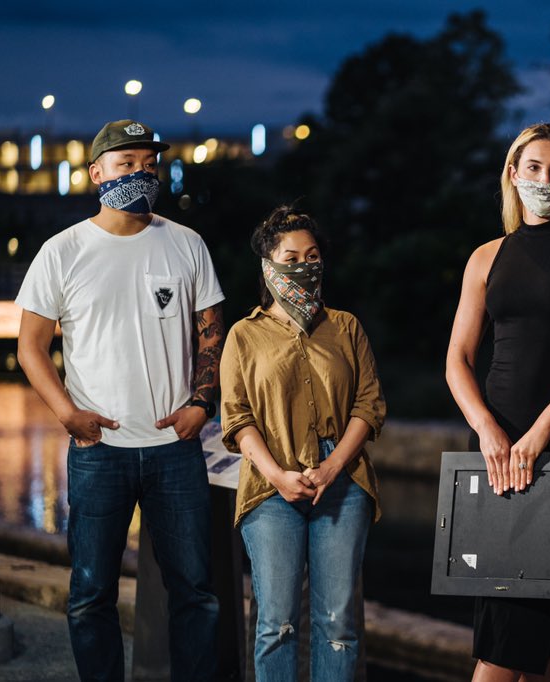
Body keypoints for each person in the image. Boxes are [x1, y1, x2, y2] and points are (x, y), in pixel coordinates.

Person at [16, 119, 222, 681]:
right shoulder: (63, 251)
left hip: (175, 451)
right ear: (97, 173)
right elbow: (30, 347)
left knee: (197, 593)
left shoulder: (185, 243)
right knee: (89, 594)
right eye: (126, 163)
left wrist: (201, 404)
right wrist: (68, 415)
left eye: (148, 163)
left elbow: (211, 330)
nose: (140, 173)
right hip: (99, 450)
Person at [446, 123, 550, 681]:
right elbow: (457, 361)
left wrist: (540, 431)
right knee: (523, 612)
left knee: (513, 613)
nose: (547, 180)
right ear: (513, 176)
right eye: (535, 169)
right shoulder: (483, 256)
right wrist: (489, 431)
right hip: (493, 444)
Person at [220, 207, 385, 681]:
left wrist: (332, 468)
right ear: (268, 266)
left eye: (312, 256)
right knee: (277, 621)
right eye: (291, 256)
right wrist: (278, 475)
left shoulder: (346, 327)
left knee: (339, 621)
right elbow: (237, 418)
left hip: (344, 481)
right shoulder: (244, 335)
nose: (303, 265)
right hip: (271, 485)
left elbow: (369, 405)